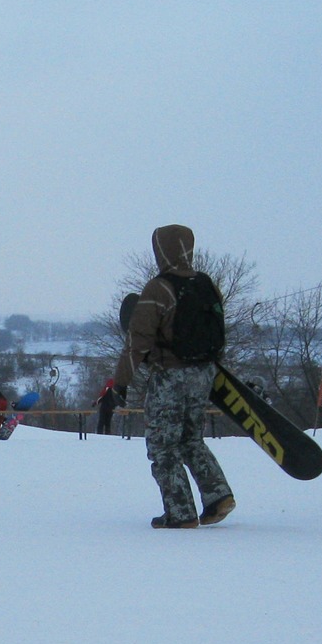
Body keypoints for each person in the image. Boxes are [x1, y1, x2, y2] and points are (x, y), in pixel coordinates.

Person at [114, 224, 234, 527]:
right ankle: (218, 495)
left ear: (161, 250)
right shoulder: (207, 284)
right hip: (204, 373)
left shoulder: (159, 288)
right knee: (191, 438)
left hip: (170, 375)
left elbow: (137, 340)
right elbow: (218, 330)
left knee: (162, 445)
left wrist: (120, 383)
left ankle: (180, 514)